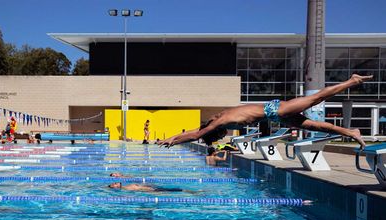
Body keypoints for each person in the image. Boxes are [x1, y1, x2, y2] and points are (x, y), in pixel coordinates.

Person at [159, 74, 372, 149]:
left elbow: (197, 134)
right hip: (277, 115)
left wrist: (174, 141)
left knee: (316, 98)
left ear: (218, 130)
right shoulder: (217, 120)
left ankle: (351, 81)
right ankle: (352, 133)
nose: (224, 135)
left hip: (276, 109)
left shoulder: (219, 123)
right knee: (316, 126)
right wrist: (171, 137)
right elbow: (197, 130)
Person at [107, 182, 195, 193]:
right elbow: (140, 190)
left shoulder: (126, 186)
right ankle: (189, 191)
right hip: (153, 190)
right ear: (116, 188)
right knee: (174, 190)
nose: (116, 183)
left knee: (173, 189)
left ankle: (188, 191)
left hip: (152, 188)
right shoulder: (126, 189)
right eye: (114, 184)